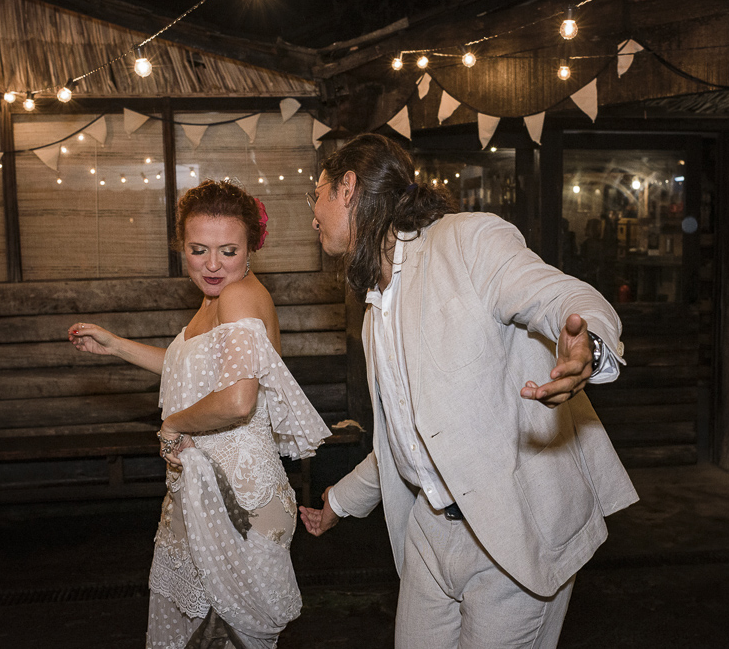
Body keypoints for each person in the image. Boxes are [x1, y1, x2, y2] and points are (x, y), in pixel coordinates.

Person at [299, 134, 638, 649]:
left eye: (316, 193)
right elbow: (408, 439)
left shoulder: (467, 240)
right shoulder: (374, 310)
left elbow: (559, 293)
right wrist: (339, 503)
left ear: (348, 187)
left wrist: (584, 340)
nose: (313, 212)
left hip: (513, 528)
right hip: (430, 534)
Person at [69, 179, 331, 648]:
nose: (213, 264)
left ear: (251, 248)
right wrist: (116, 346)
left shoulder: (237, 297)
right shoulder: (216, 298)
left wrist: (172, 424)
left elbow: (237, 401)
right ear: (180, 247)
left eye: (228, 251)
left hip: (238, 504)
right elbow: (186, 368)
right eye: (199, 249)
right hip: (208, 492)